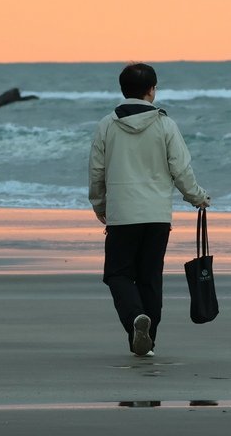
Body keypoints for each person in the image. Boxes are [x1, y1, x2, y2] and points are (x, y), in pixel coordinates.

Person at [88, 63, 210, 356]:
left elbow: (97, 170)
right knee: (150, 277)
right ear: (152, 90)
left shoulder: (107, 124)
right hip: (157, 216)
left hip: (122, 214)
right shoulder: (165, 124)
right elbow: (180, 168)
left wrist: (99, 204)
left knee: (117, 275)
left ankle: (134, 320)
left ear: (122, 89)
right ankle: (148, 340)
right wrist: (197, 197)